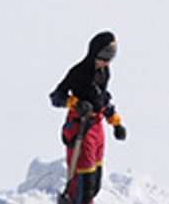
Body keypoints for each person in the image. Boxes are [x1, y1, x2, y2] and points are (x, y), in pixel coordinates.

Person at [50, 32, 126, 204]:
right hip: (80, 128)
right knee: (83, 184)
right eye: (104, 56)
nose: (106, 62)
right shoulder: (79, 72)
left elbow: (103, 98)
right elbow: (56, 97)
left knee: (95, 182)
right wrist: (75, 103)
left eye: (110, 57)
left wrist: (116, 122)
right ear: (94, 52)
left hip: (97, 127)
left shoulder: (104, 72)